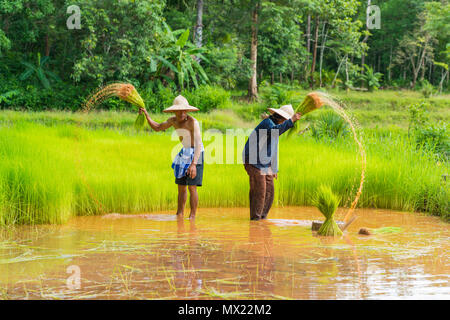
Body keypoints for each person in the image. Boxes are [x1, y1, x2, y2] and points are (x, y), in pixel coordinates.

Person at [139, 95, 204, 220]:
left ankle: (192, 217)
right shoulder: (173, 121)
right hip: (184, 152)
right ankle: (179, 215)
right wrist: (147, 115)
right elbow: (158, 127)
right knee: (181, 186)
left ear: (187, 111)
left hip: (197, 152)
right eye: (179, 111)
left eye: (184, 111)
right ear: (174, 111)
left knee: (192, 187)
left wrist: (194, 164)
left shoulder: (193, 122)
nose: (181, 113)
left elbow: (198, 144)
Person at [242, 104, 301, 220]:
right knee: (260, 190)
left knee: (269, 190)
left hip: (264, 161)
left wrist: (274, 168)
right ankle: (255, 221)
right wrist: (292, 120)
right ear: (281, 118)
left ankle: (262, 219)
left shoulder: (275, 125)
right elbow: (276, 132)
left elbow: (274, 148)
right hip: (253, 159)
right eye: (286, 120)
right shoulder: (268, 123)